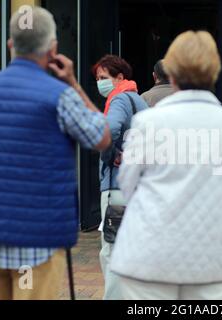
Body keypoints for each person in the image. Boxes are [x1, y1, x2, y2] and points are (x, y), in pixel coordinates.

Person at [0, 7, 111, 300]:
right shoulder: (59, 96)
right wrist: (73, 82)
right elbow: (102, 137)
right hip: (34, 247)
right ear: (53, 49)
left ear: (10, 45)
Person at [110, 30, 222, 300]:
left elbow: (127, 186)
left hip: (149, 254)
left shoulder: (147, 122)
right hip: (213, 258)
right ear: (214, 72)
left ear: (171, 73)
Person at [91, 55, 148, 300]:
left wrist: (109, 154)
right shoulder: (139, 101)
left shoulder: (119, 100)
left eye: (104, 78)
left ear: (120, 78)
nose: (100, 83)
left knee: (113, 251)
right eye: (97, 79)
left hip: (117, 189)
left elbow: (109, 130)